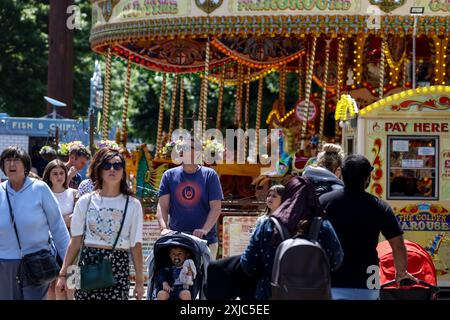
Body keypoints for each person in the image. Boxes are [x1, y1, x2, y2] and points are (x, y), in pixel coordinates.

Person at [319, 154, 418, 300]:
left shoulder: (324, 202)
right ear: (367, 178)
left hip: (332, 280)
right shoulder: (379, 207)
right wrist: (401, 273)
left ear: (341, 174)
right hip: (367, 282)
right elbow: (398, 245)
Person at [56, 147, 144, 300]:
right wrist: (63, 274)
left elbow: (136, 245)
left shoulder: (133, 204)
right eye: (107, 165)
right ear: (99, 170)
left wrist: (139, 282)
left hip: (118, 264)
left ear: (123, 171)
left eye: (117, 166)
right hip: (88, 261)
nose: (112, 169)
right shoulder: (86, 201)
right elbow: (75, 241)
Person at [240, 176, 344, 300]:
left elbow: (248, 263)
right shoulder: (323, 226)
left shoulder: (269, 225)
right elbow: (336, 261)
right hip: (314, 295)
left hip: (270, 294)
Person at [0, 146, 70, 300]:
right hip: (5, 265)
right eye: (7, 161)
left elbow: (58, 227)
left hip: (37, 263)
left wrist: (68, 265)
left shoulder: (40, 189)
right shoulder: (1, 191)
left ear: (25, 165)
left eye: (16, 160)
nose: (12, 164)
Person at [156, 137, 224, 260]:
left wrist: (204, 229)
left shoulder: (210, 175)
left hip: (205, 240)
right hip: (177, 240)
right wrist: (164, 229)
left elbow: (216, 207)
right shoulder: (169, 175)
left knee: (204, 278)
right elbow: (162, 206)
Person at [42, 159, 78, 300]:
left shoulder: (74, 193)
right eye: (55, 173)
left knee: (73, 285)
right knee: (52, 287)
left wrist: (56, 221)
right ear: (48, 175)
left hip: (72, 244)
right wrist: (65, 219)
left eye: (62, 173)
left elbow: (78, 219)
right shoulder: (43, 193)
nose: (59, 176)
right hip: (48, 245)